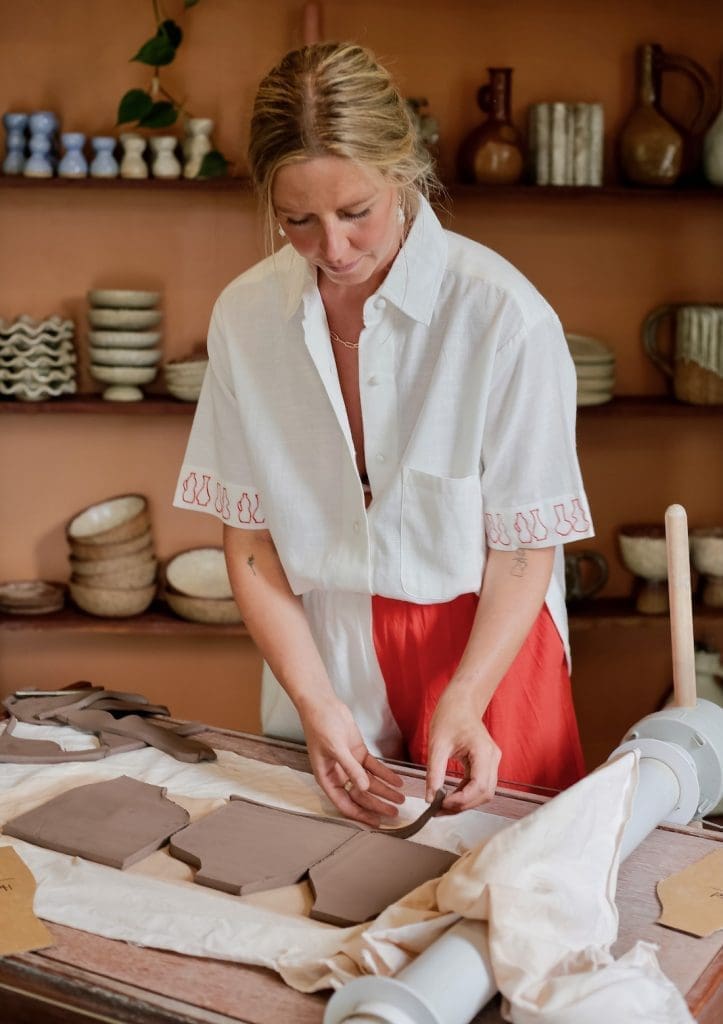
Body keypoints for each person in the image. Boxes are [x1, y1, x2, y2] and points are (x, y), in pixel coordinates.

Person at [174, 41, 594, 827]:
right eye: (297, 220)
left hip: (485, 640)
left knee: (502, 871)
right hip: (321, 640)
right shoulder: (245, 316)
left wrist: (466, 698)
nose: (332, 250)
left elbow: (523, 547)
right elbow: (253, 542)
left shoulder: (501, 316)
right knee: (319, 870)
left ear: (403, 173)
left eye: (355, 212)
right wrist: (314, 700)